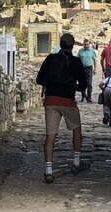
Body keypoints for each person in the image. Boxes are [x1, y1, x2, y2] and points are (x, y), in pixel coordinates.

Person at [36, 32, 87, 184]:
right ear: (72, 46)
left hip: (51, 100)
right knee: (76, 129)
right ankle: (76, 162)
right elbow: (83, 84)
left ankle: (49, 170)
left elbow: (39, 79)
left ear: (60, 44)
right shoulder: (76, 61)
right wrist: (73, 86)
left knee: (50, 136)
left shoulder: (51, 59)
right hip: (68, 101)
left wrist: (53, 84)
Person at [76, 37, 97, 102]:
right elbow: (77, 60)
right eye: (84, 44)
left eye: (87, 44)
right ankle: (83, 97)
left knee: (89, 84)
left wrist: (95, 69)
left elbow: (95, 60)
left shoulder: (92, 51)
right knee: (82, 83)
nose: (86, 45)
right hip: (81, 69)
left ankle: (89, 97)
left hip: (89, 68)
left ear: (89, 44)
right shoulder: (80, 51)